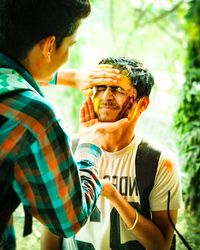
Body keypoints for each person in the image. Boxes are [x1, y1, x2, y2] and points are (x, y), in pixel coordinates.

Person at [0, 1, 126, 249]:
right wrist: (90, 140)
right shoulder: (36, 118)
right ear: (49, 45)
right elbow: (69, 220)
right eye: (69, 45)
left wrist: (70, 77)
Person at [41, 56, 182, 250]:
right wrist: (71, 78)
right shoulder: (67, 149)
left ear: (142, 104)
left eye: (117, 89)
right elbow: (52, 230)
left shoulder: (160, 162)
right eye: (100, 87)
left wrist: (114, 196)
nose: (107, 96)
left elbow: (161, 245)